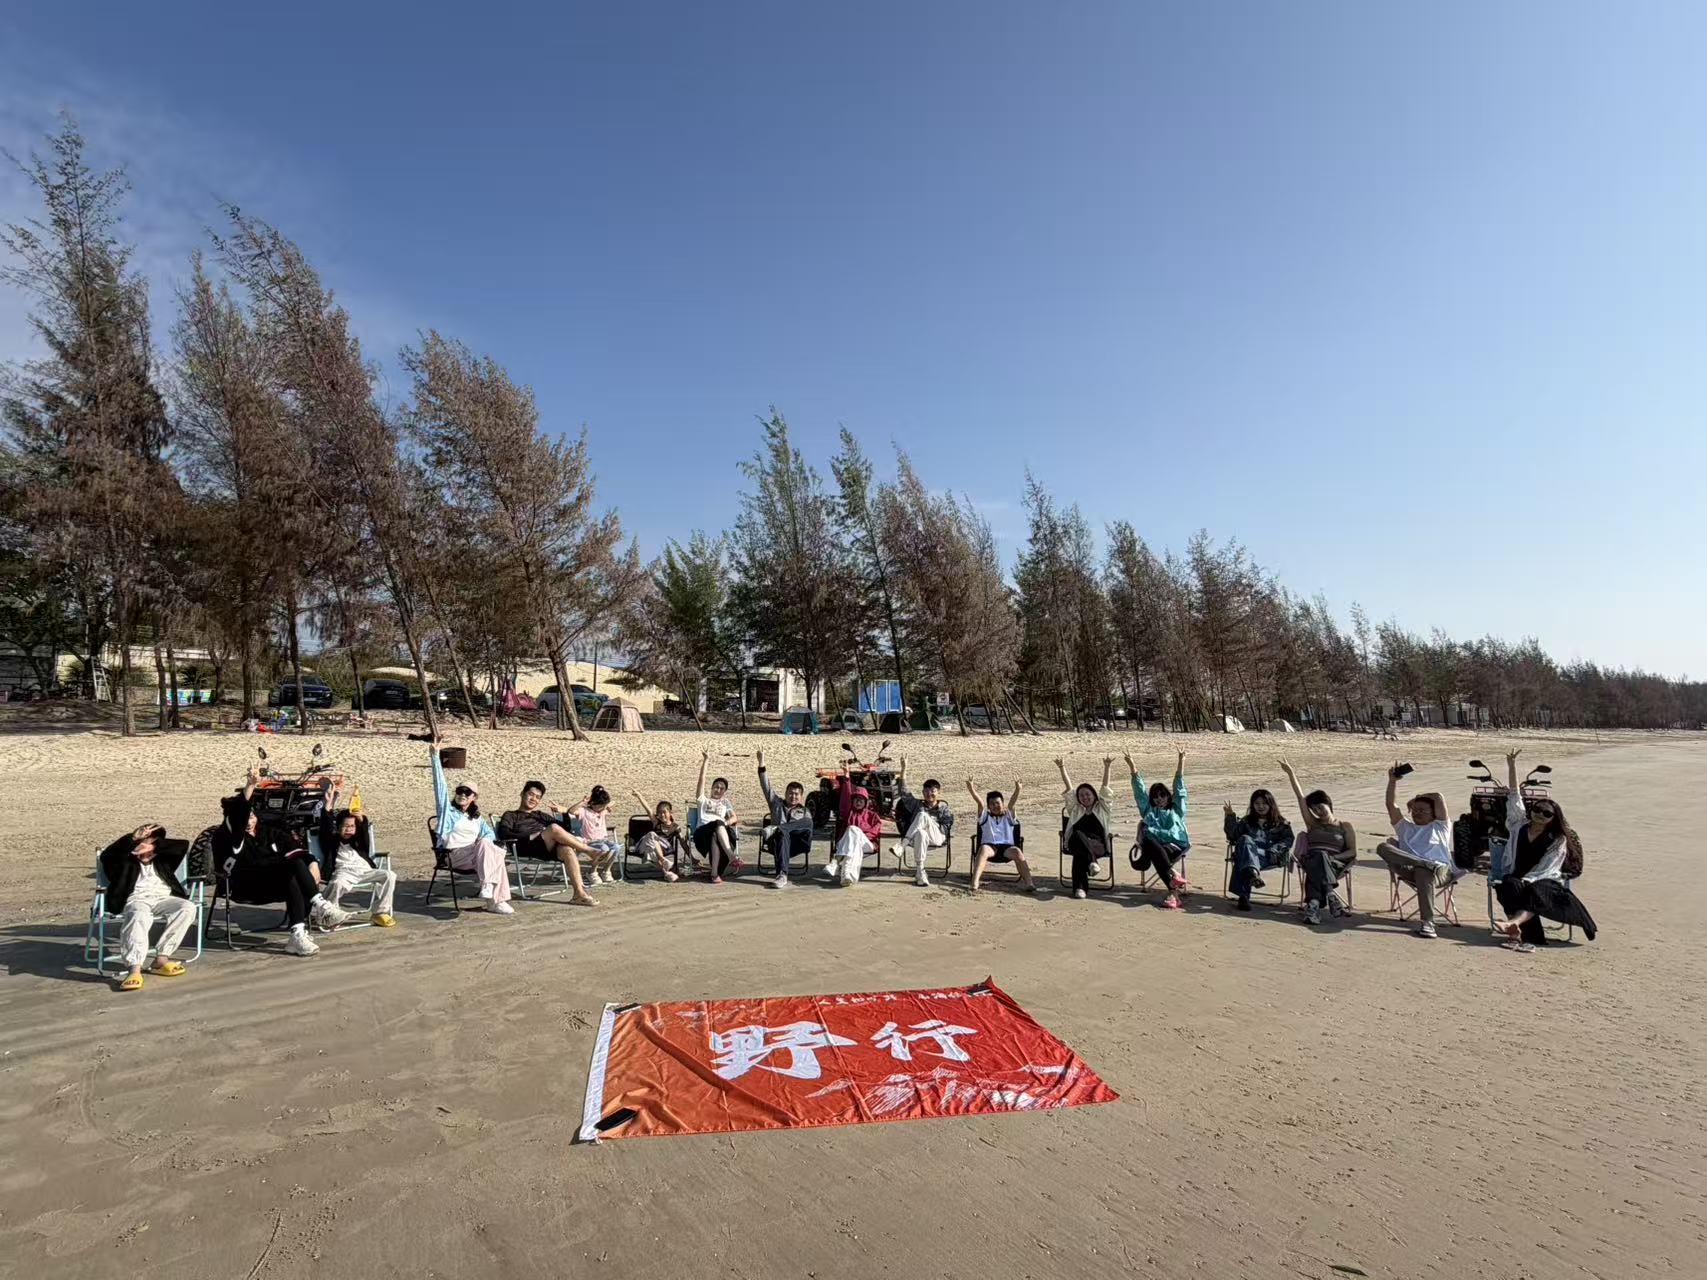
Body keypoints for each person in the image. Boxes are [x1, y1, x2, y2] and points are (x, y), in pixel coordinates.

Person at [220, 765, 353, 955]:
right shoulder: (229, 836)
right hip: (245, 884)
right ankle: (321, 907)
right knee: (291, 867)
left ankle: (297, 934)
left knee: (294, 870)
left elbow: (294, 847)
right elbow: (240, 814)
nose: (249, 822)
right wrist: (250, 785)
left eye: (252, 817)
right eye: (245, 818)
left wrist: (312, 862)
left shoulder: (268, 832)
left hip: (274, 882)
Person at [1489, 748, 1597, 950]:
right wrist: (1512, 766)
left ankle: (1515, 925)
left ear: (1553, 819)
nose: (1540, 814)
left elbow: (1548, 868)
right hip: (1517, 876)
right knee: (1509, 885)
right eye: (1537, 810)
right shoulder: (1518, 825)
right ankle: (1519, 933)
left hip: (1546, 880)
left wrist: (1527, 880)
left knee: (1534, 889)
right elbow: (1514, 796)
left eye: (1546, 813)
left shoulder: (1557, 839)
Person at [99, 823, 197, 991]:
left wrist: (154, 846)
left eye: (151, 843)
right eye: (142, 843)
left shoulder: (163, 859)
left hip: (163, 898)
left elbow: (183, 845)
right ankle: (134, 969)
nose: (146, 849)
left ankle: (162, 959)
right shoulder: (123, 860)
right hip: (135, 899)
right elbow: (107, 856)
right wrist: (133, 838)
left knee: (187, 907)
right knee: (139, 916)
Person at [431, 747, 521, 913]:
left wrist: (484, 843)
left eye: (467, 793)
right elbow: (440, 788)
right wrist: (435, 756)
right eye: (460, 791)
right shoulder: (448, 813)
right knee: (493, 853)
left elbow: (489, 834)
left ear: (474, 797)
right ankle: (493, 894)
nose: (462, 795)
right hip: (453, 855)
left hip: (475, 856)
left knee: (490, 848)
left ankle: (493, 901)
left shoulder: (476, 818)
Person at [1376, 765, 1454, 939]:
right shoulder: (1405, 827)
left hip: (1439, 871)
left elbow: (1438, 796)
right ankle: (1423, 863)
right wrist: (1392, 781)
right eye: (1415, 810)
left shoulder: (1440, 826)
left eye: (1422, 810)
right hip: (1410, 868)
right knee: (1383, 847)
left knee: (1423, 872)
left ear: (1433, 813)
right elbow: (1390, 805)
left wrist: (1416, 798)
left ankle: (1428, 923)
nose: (1417, 813)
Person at [493, 778, 599, 906]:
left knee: (567, 849)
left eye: (538, 797)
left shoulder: (540, 815)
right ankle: (588, 850)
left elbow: (565, 831)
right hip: (524, 846)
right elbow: (504, 834)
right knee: (553, 828)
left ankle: (579, 894)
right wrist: (530, 836)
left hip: (545, 847)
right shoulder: (511, 815)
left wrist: (564, 814)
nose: (534, 799)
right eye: (531, 794)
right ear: (522, 794)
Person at [1278, 759, 1358, 926]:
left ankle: (1313, 907)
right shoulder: (1312, 823)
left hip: (1335, 863)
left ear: (1328, 803)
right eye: (1314, 810)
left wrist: (1332, 858)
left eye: (1320, 807)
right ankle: (1330, 894)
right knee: (1318, 857)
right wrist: (1291, 773)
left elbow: (1352, 851)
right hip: (1312, 860)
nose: (1318, 812)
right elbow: (1300, 797)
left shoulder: (1345, 826)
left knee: (1320, 861)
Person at [315, 808, 397, 928]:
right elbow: (325, 829)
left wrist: (362, 820)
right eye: (345, 826)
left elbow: (364, 832)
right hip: (344, 872)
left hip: (365, 871)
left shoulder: (359, 841)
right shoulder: (332, 841)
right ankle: (329, 914)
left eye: (352, 826)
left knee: (389, 875)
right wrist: (327, 809)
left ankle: (380, 912)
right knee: (336, 883)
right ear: (338, 827)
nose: (349, 829)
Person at [1129, 750, 1191, 909]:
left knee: (1152, 847)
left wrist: (1181, 761)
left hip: (1176, 845)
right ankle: (1173, 884)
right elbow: (1140, 793)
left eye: (1162, 795)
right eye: (1155, 796)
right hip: (1157, 847)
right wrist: (1133, 767)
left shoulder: (1176, 809)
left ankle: (1173, 889)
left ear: (1168, 796)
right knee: (1152, 845)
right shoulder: (1149, 811)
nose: (1159, 799)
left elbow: (1179, 788)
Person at [1223, 789, 1295, 911]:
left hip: (1268, 856)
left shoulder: (1281, 823)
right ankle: (1252, 874)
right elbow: (1232, 836)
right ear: (1252, 805)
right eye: (1257, 803)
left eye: (1264, 803)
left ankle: (1244, 896)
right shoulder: (1247, 821)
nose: (1260, 806)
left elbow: (1288, 840)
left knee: (1243, 859)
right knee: (1245, 840)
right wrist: (1230, 816)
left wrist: (1275, 849)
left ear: (1270, 804)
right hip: (1248, 853)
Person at [1056, 757, 1115, 901]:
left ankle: (1080, 888)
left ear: (1094, 795)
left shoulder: (1102, 808)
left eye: (1088, 794)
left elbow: (1105, 788)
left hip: (1097, 845)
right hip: (1075, 841)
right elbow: (1069, 789)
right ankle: (1092, 863)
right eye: (1081, 795)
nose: (1085, 797)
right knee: (1077, 834)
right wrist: (1062, 767)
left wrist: (1107, 767)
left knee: (1079, 854)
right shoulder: (1075, 809)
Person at [756, 750, 813, 889]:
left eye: (796, 794)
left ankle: (777, 828)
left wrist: (781, 828)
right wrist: (761, 763)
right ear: (785, 793)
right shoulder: (776, 803)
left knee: (808, 821)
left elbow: (808, 829)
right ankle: (782, 875)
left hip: (798, 844)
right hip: (778, 844)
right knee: (782, 834)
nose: (793, 796)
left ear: (801, 796)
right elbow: (766, 786)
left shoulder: (804, 811)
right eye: (790, 793)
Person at [892, 757, 952, 888]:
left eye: (933, 791)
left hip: (937, 836)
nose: (929, 794)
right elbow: (903, 792)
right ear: (922, 792)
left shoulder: (944, 809)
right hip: (918, 838)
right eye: (926, 791)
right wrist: (904, 769)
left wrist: (930, 823)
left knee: (922, 815)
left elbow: (946, 829)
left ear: (938, 792)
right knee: (921, 833)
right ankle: (920, 872)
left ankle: (902, 846)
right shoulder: (917, 804)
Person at [965, 779, 1034, 893]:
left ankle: (1029, 883)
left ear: (1002, 804)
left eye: (997, 803)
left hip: (1007, 848)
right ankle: (974, 882)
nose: (995, 806)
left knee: (1017, 851)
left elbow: (1012, 803)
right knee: (983, 849)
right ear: (989, 806)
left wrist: (1018, 789)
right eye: (992, 804)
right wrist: (971, 789)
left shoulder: (1008, 816)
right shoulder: (985, 817)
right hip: (990, 847)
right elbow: (980, 803)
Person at [823, 764, 882, 886]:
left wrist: (859, 836)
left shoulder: (872, 816)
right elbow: (845, 797)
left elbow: (875, 831)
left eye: (861, 800)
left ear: (866, 802)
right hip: (848, 844)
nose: (858, 802)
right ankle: (846, 876)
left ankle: (836, 861)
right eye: (856, 799)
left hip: (867, 844)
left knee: (853, 830)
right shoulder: (848, 813)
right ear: (853, 801)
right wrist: (846, 777)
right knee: (854, 845)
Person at [693, 752, 742, 883]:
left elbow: (734, 817)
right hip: (702, 832)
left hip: (718, 831)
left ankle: (714, 874)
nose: (718, 790)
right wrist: (706, 760)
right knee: (717, 824)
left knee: (716, 834)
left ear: (724, 791)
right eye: (716, 787)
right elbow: (701, 780)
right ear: (712, 788)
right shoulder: (703, 800)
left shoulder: (725, 803)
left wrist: (724, 823)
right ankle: (731, 856)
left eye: (721, 788)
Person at [628, 790, 687, 882]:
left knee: (650, 848)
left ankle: (665, 872)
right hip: (644, 845)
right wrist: (639, 796)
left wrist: (692, 858)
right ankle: (663, 862)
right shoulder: (656, 822)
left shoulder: (675, 827)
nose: (662, 815)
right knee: (651, 836)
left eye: (664, 812)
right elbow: (648, 809)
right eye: (659, 813)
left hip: (660, 847)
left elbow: (683, 842)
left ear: (670, 813)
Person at [568, 786, 621, 884]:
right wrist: (582, 802)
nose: (603, 808)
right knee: (604, 849)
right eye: (601, 806)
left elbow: (613, 802)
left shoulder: (603, 811)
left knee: (616, 847)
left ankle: (606, 871)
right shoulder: (583, 811)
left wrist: (605, 804)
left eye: (604, 806)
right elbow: (571, 811)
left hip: (603, 840)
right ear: (593, 803)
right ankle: (592, 871)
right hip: (590, 841)